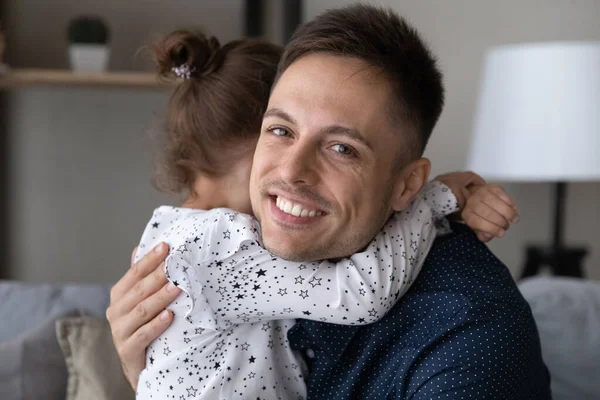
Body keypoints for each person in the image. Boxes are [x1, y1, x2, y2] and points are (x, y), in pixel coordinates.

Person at [107, 4, 551, 399]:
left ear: (407, 185)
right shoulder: (256, 251)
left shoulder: (469, 338)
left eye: (342, 148)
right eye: (281, 130)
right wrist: (141, 369)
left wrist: (442, 198)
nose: (291, 170)